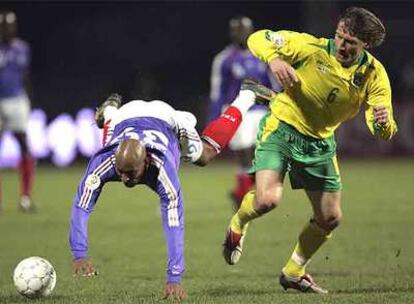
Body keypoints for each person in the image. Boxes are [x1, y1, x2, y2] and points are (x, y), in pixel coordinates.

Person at [222, 7, 398, 294]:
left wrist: (383, 123)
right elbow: (258, 38)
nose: (342, 45)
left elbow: (384, 129)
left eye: (351, 42)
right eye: (340, 37)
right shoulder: (310, 47)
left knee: (330, 218)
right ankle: (238, 222)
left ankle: (294, 271)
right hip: (282, 127)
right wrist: (275, 58)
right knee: (267, 200)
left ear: (365, 44)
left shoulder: (373, 75)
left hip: (319, 143)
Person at [69, 81, 276, 301]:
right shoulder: (105, 162)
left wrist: (174, 278)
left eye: (131, 172)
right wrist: (79, 254)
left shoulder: (163, 172)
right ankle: (111, 111)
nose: (124, 179)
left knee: (204, 155)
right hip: (126, 117)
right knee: (112, 142)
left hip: (166, 118)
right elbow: (81, 205)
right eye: (121, 171)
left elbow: (174, 223)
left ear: (146, 161)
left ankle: (246, 96)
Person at [208, 16, 280, 207]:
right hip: (237, 111)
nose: (240, 33)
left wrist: (279, 107)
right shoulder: (223, 59)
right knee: (243, 153)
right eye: (236, 30)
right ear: (231, 33)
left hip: (260, 110)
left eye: (244, 29)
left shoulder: (263, 56)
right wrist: (214, 119)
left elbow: (273, 85)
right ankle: (245, 193)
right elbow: (217, 91)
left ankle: (246, 192)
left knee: (259, 153)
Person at [0, 10, 34, 211]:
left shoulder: (22, 48)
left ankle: (25, 196)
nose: (6, 30)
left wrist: (28, 98)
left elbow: (26, 76)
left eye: (9, 26)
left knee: (24, 144)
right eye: (3, 26)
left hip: (16, 99)